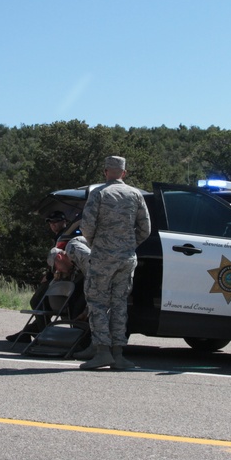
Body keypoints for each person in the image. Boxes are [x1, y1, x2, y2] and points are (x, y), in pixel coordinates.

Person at [77, 156, 151, 370]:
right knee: (119, 304)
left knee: (98, 303)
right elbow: (145, 228)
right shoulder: (136, 194)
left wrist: (96, 245)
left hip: (103, 257)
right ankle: (118, 354)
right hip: (126, 258)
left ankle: (102, 351)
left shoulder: (99, 193)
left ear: (105, 171)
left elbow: (87, 226)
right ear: (124, 173)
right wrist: (128, 244)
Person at [4, 210, 78, 344]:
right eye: (51, 223)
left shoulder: (66, 236)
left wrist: (49, 275)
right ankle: (29, 332)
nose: (53, 225)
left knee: (38, 301)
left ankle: (42, 334)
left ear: (64, 222)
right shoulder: (61, 236)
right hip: (58, 277)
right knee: (41, 303)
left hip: (62, 277)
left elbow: (62, 260)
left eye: (56, 222)